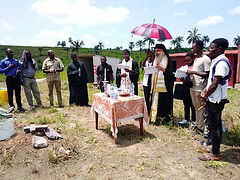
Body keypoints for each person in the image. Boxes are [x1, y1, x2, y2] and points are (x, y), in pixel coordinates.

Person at [199, 38, 232, 161]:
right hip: (213, 98)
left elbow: (215, 83)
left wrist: (205, 95)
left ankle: (215, 153)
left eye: (211, 48)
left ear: (219, 49)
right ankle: (214, 147)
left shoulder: (221, 63)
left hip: (216, 100)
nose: (209, 50)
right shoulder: (216, 60)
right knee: (214, 125)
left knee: (215, 126)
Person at [187, 40, 211, 134]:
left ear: (199, 47)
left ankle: (203, 128)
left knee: (201, 108)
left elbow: (207, 74)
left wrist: (193, 72)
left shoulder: (205, 59)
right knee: (196, 107)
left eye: (193, 47)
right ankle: (198, 125)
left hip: (200, 87)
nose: (192, 49)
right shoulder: (196, 59)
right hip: (193, 86)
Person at [150, 44, 174, 125]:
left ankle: (164, 118)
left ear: (163, 51)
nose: (156, 52)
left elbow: (171, 73)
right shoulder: (155, 59)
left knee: (163, 102)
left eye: (158, 51)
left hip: (164, 86)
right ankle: (155, 117)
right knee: (156, 102)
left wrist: (162, 69)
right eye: (155, 51)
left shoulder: (167, 59)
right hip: (155, 86)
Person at [178, 52, 196, 125]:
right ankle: (186, 119)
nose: (187, 62)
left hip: (193, 87)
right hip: (185, 87)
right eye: (185, 60)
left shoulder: (195, 67)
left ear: (193, 59)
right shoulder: (185, 67)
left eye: (188, 60)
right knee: (186, 104)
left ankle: (194, 120)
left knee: (193, 104)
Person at [142, 50, 155, 115]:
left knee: (152, 98)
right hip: (146, 82)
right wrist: (146, 58)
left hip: (152, 82)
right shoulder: (146, 62)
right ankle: (147, 111)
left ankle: (152, 111)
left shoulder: (155, 63)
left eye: (151, 55)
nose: (150, 57)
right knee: (146, 97)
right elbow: (142, 66)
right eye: (148, 55)